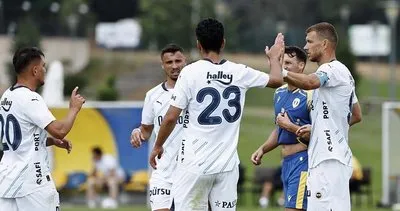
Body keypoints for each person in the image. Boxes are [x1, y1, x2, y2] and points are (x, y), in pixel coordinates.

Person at [149, 18, 284, 211]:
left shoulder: (190, 72)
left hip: (194, 165)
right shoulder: (239, 71)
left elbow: (171, 117)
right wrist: (274, 57)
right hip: (227, 167)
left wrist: (157, 146)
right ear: (223, 42)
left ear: (198, 44)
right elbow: (277, 79)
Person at [269, 22, 362, 211]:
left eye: (310, 42)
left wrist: (281, 70)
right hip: (333, 159)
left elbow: (311, 82)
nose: (305, 47)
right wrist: (320, 127)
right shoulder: (343, 74)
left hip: (328, 160)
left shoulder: (332, 70)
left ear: (325, 44)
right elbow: (356, 114)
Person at [0, 47, 85, 211]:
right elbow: (60, 130)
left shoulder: (7, 96)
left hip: (7, 179)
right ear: (35, 70)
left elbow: (19, 139)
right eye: (44, 66)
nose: (45, 70)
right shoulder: (30, 98)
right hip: (33, 181)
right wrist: (74, 109)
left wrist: (51, 141)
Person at [252, 46, 310, 211]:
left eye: (289, 63)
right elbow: (280, 129)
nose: (283, 67)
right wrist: (263, 149)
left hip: (303, 161)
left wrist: (291, 127)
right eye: (281, 62)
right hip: (286, 163)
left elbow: (317, 132)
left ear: (301, 66)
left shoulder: (310, 94)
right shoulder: (279, 93)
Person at [130, 43, 187, 211]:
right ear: (163, 65)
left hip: (191, 171)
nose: (174, 66)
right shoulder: (153, 95)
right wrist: (137, 132)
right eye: (169, 62)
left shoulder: (196, 93)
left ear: (185, 62)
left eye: (178, 61)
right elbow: (146, 130)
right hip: (163, 171)